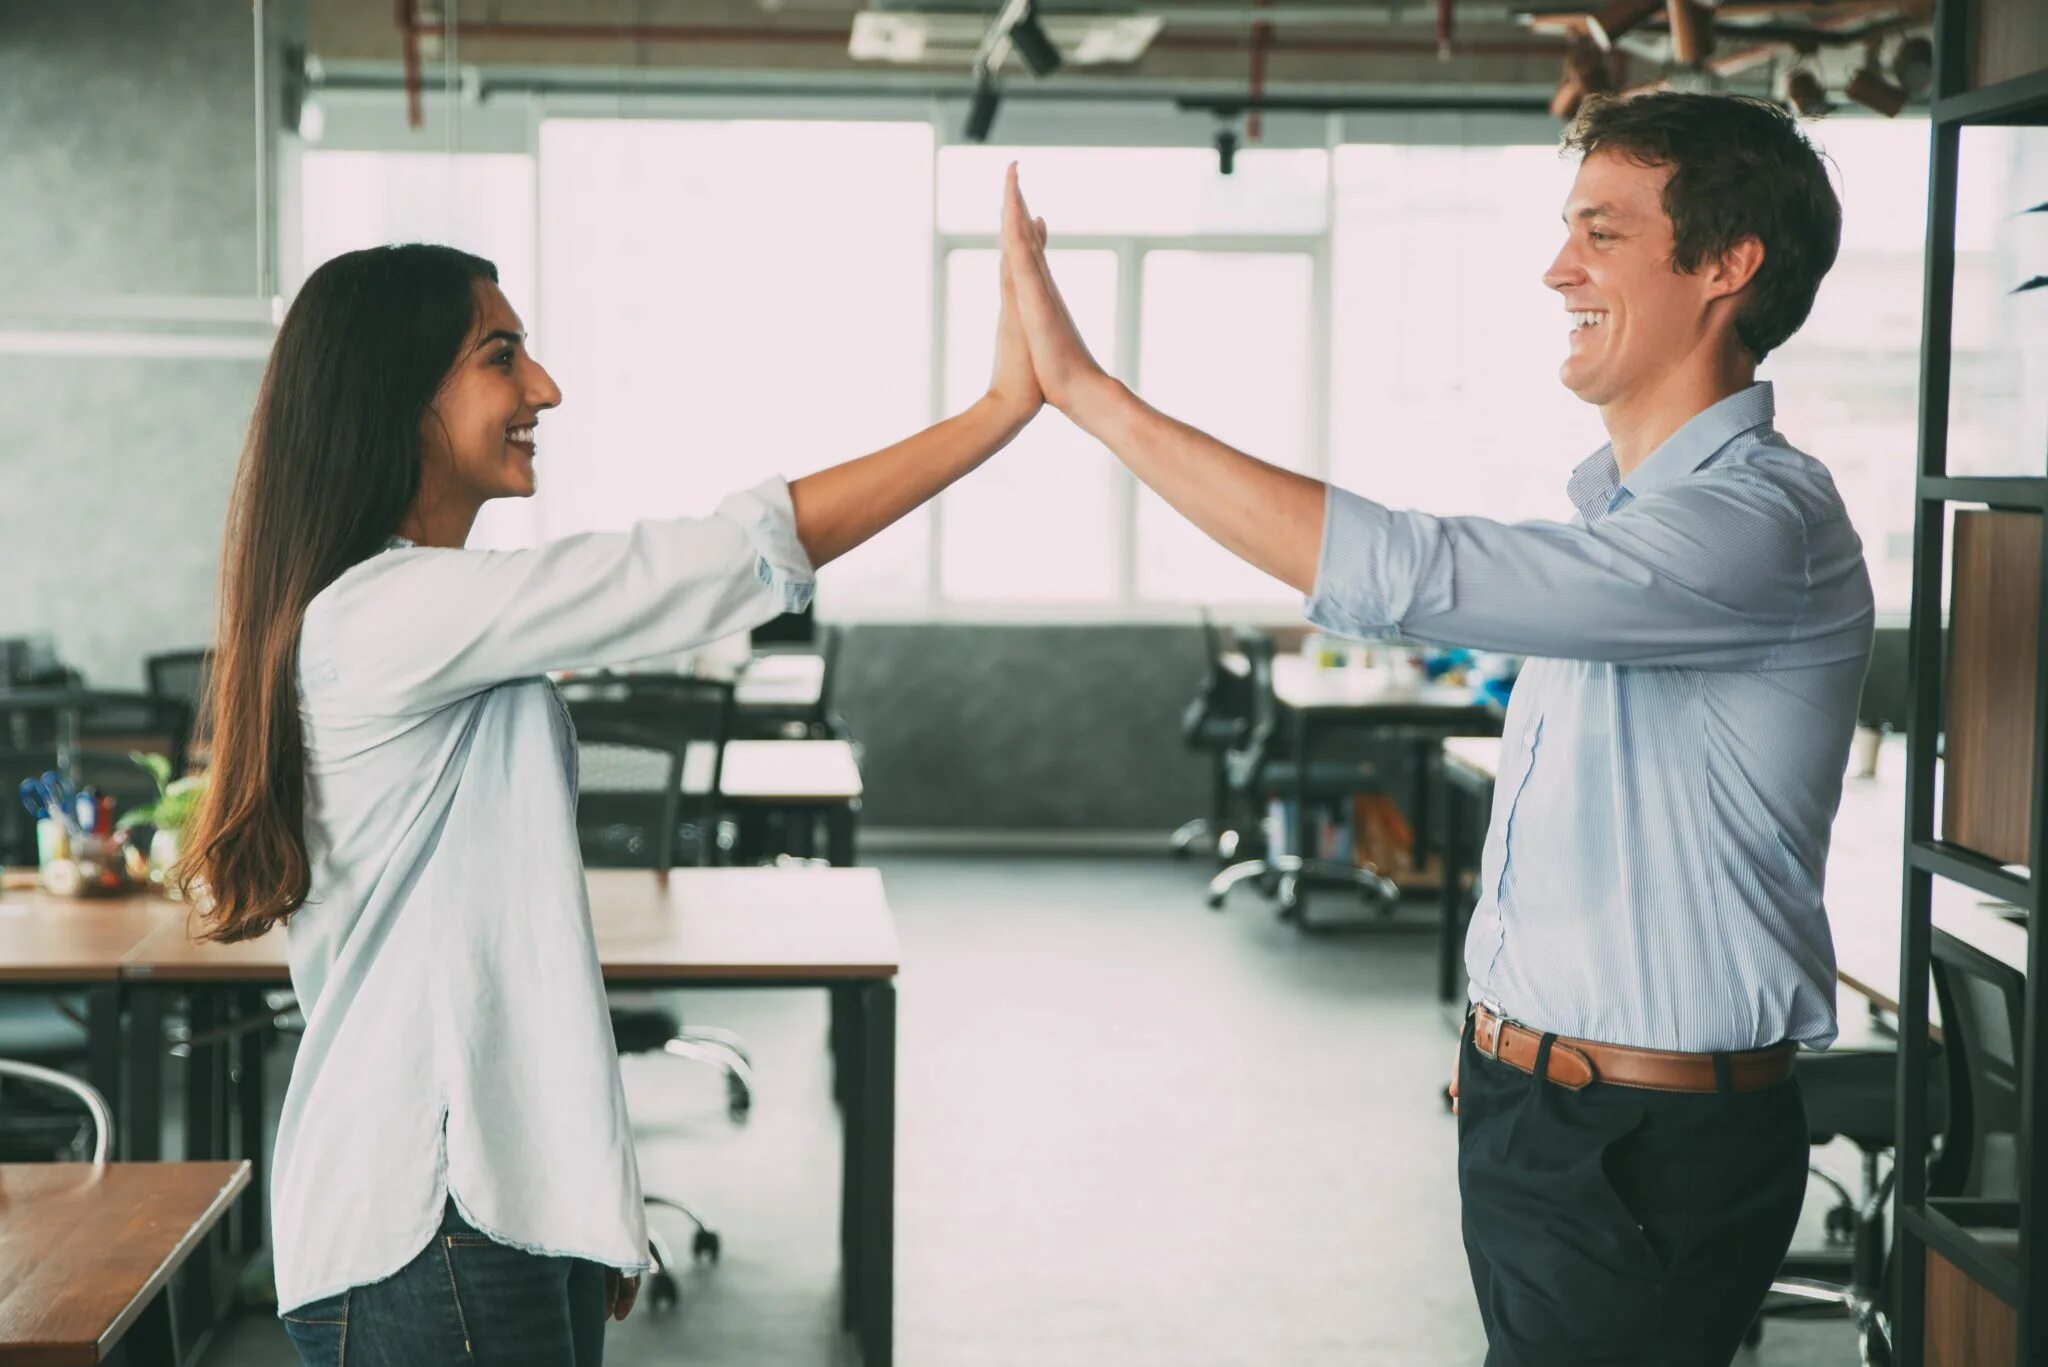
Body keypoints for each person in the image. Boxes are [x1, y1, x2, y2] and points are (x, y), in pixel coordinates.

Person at [998, 92, 1874, 1365]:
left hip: (1642, 1142)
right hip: (1547, 1104)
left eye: (1602, 231)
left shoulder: (1755, 525)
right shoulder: (1632, 522)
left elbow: (1406, 571)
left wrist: (1084, 393)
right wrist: (1503, 1034)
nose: (1555, 266)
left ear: (1725, 266)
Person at [179, 240, 1043, 1364]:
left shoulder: (398, 616)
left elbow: (511, 960)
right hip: (431, 1221)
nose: (544, 387)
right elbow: (700, 565)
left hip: (481, 1210)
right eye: (503, 356)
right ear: (399, 394)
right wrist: (995, 413)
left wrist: (587, 1202)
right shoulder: (386, 615)